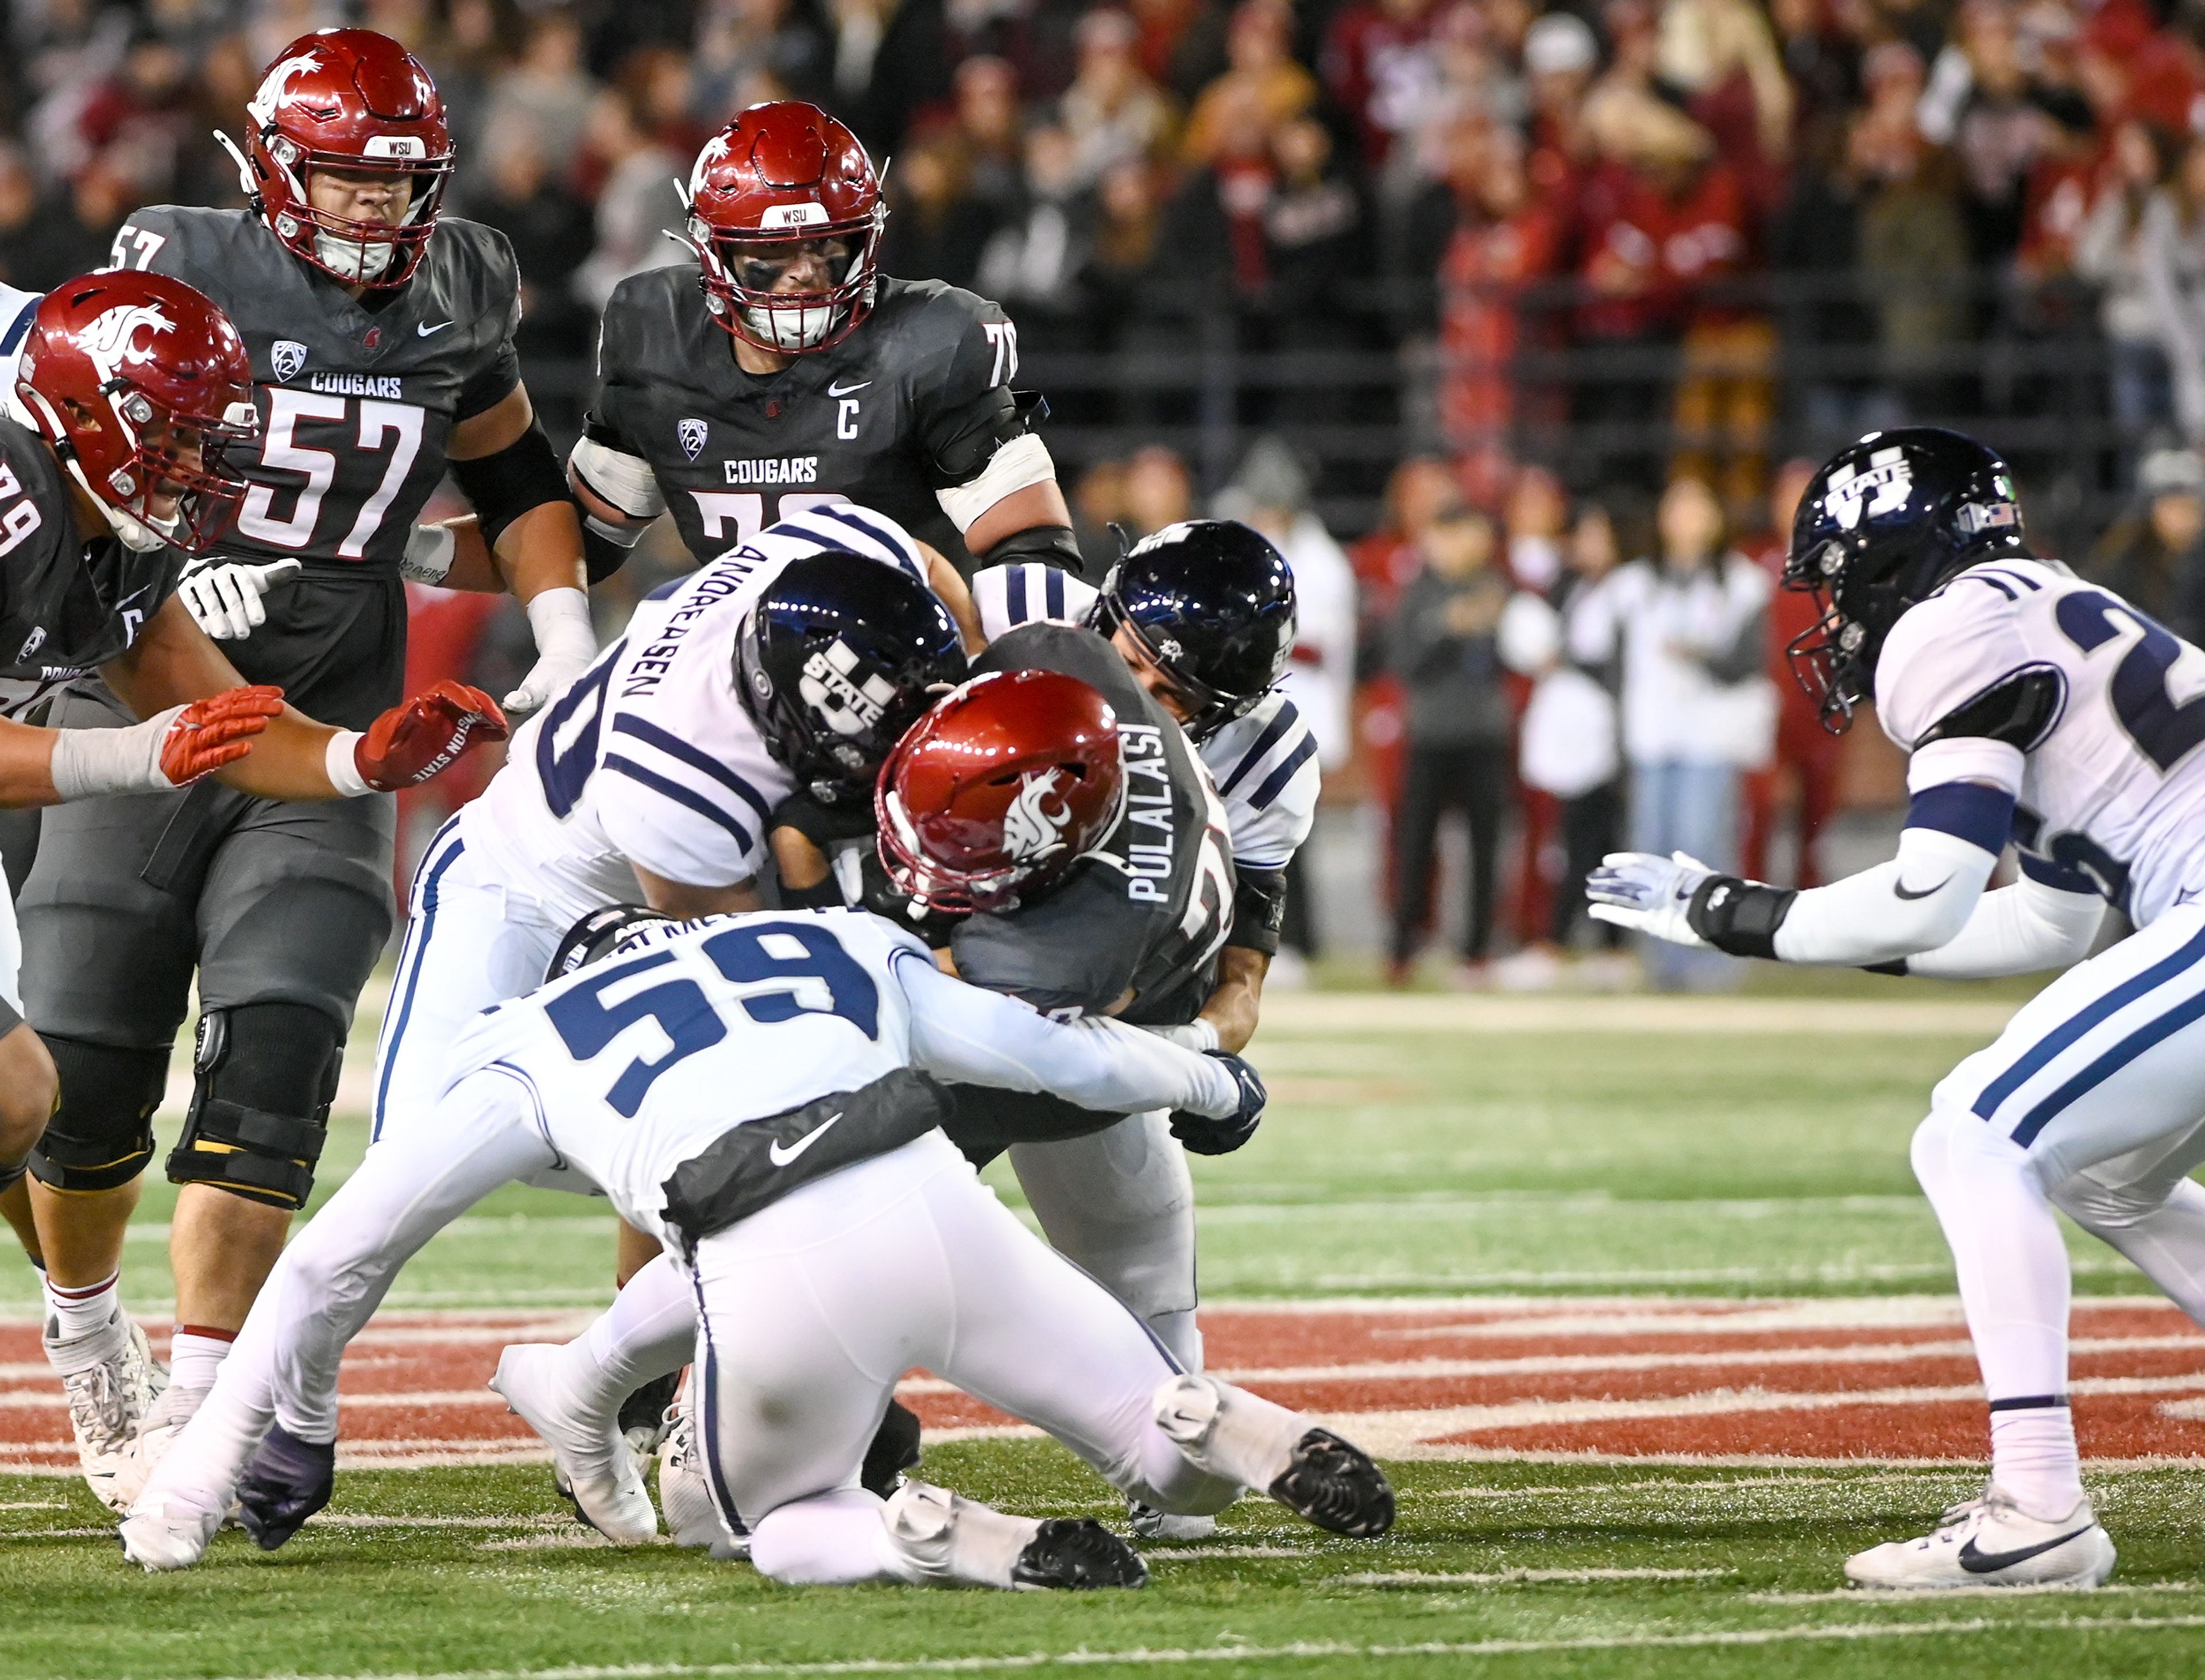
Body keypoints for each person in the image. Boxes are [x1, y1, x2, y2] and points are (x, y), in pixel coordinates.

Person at [117, 903, 1395, 1581]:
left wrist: (191, 1481)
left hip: (776, 1270)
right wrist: (1208, 1082)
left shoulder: (531, 1038)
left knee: (767, 1524)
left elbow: (338, 1259)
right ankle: (1210, 1421)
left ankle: (962, 1542)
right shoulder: (832, 937)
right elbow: (1043, 1051)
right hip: (946, 1208)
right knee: (1159, 1462)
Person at [19, 27, 581, 1500]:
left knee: (273, 1054)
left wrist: (566, 635)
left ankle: (205, 1407)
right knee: (71, 1084)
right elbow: (97, 435)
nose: (374, 211)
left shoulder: (461, 279)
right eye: (344, 179)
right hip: (127, 649)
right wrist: (157, 581)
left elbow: (514, 471)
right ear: (272, 171)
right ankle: (89, 1347)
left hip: (329, 681)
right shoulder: (178, 257)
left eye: (401, 184)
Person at [1584, 425, 2205, 1589]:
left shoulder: (1946, 629)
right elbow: (2044, 922)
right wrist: (1796, 929)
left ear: (1890, 555)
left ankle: (2039, 1504)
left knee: (1971, 1130)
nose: (1836, 617)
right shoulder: (2045, 602)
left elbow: (1926, 892)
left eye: (1838, 580)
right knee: (2099, 1169)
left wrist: (1736, 912)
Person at [578, 609, 1255, 1551]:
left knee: (792, 1241)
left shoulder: (1065, 951)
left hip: (1055, 1054)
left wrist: (1199, 1064)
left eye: (959, 848)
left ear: (1043, 861)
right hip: (1102, 1027)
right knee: (1151, 1342)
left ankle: (655, 1386)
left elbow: (1022, 1040)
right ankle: (1174, 1436)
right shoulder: (1054, 664)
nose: (912, 859)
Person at [569, 100, 1080, 595]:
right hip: (733, 659)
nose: (805, 271)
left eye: (825, 244)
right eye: (773, 251)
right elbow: (580, 543)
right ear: (713, 251)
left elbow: (1033, 549)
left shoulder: (929, 341)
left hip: (909, 654)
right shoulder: (660, 336)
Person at [1575, 473, 1772, 990]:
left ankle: (1711, 965)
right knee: (1652, 847)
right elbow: (1610, 665)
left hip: (1708, 738)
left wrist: (1700, 656)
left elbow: (1748, 662)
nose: (1685, 520)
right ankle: (1662, 967)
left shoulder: (1741, 582)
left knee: (1701, 845)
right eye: (1676, 509)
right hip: (1651, 737)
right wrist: (1616, 735)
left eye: (1697, 508)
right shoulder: (1634, 585)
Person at [1383, 500, 1514, 986]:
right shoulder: (1419, 592)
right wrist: (1447, 627)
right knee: (1416, 844)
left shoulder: (1496, 586)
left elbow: (1519, 653)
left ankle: (1478, 950)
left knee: (1486, 846)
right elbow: (1402, 662)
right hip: (1432, 735)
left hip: (1484, 733)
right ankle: (1401, 948)